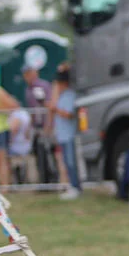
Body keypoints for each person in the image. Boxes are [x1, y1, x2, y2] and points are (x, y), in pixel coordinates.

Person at [48, 66, 81, 199]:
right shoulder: (60, 97)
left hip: (69, 135)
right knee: (67, 163)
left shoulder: (70, 95)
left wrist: (56, 109)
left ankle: (75, 186)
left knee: (71, 162)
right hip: (62, 135)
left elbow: (69, 114)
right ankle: (72, 185)